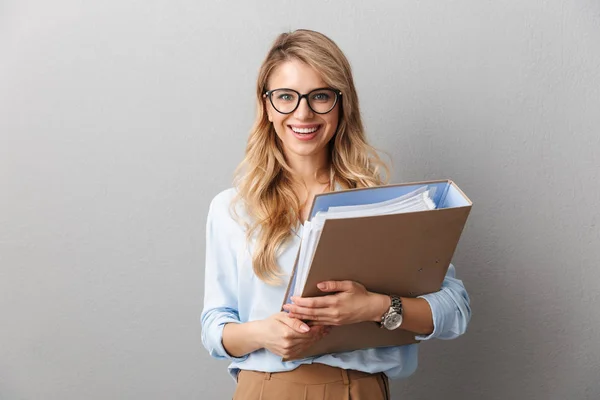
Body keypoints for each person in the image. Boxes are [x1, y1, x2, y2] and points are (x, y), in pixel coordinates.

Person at [201, 29, 471, 400]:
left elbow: (454, 310)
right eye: (285, 97)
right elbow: (214, 326)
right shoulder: (232, 208)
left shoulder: (384, 207)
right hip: (264, 389)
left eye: (321, 96)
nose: (303, 113)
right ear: (266, 105)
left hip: (356, 390)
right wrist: (264, 334)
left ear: (342, 103)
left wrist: (375, 307)